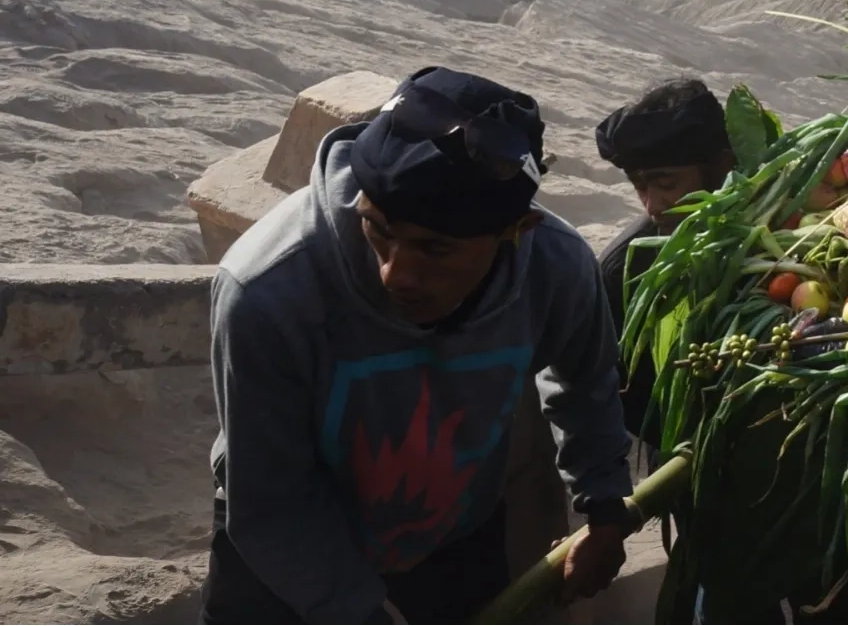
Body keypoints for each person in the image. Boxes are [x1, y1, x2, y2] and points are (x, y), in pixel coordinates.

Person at [202, 68, 632, 623]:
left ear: (515, 231)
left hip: (451, 538)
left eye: (436, 250)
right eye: (378, 231)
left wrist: (604, 508)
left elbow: (587, 383)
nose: (396, 274)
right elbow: (272, 500)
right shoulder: (269, 290)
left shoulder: (555, 265)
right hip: (284, 556)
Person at [595, 79, 737, 440]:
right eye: (640, 186)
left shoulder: (785, 226)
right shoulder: (626, 269)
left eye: (667, 184)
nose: (653, 206)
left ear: (723, 167)